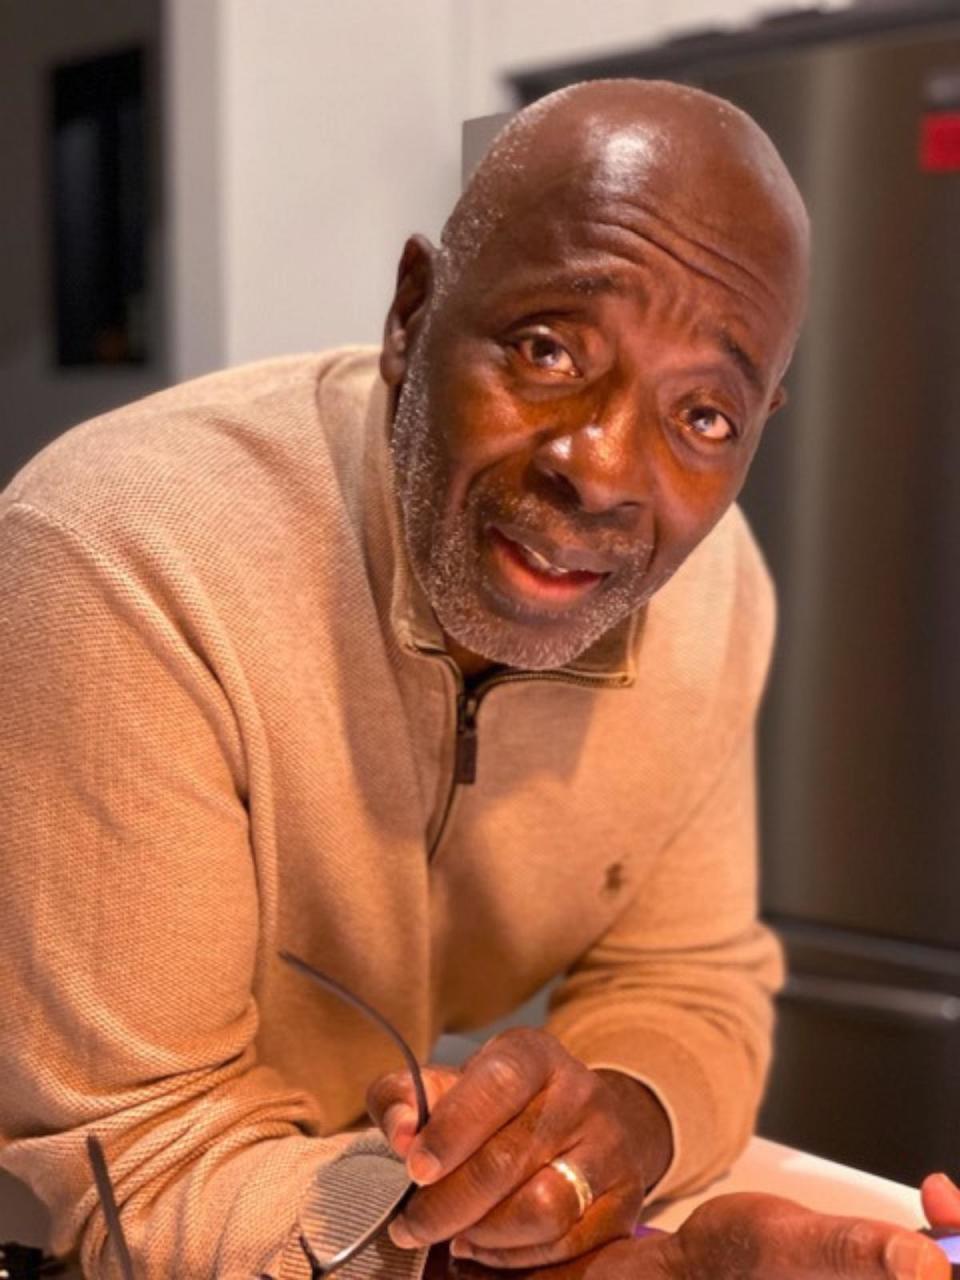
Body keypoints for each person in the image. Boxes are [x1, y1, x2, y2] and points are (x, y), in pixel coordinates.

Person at [0, 78, 953, 1279]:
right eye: (549, 348)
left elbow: (691, 977)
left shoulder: (712, 596)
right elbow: (131, 1174)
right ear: (412, 316)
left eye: (703, 415)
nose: (603, 470)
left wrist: (613, 1135)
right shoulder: (125, 559)